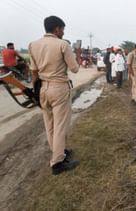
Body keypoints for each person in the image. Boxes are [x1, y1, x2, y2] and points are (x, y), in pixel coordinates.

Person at [28, 16, 80, 175]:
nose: (63, 32)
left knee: (49, 125)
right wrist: (74, 55)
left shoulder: (33, 45)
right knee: (60, 126)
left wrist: (35, 91)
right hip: (59, 88)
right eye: (62, 29)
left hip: (42, 88)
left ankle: (59, 152)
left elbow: (34, 71)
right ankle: (57, 162)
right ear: (57, 29)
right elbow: (75, 69)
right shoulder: (63, 44)